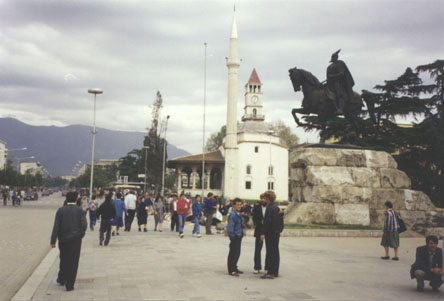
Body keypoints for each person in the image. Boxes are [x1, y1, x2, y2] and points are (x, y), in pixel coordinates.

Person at [50, 191, 87, 291]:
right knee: (73, 261)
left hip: (63, 239)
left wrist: (53, 241)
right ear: (76, 199)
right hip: (75, 240)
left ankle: (62, 279)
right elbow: (84, 225)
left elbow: (56, 226)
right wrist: (80, 235)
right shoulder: (80, 210)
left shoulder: (61, 210)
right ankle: (69, 284)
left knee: (64, 258)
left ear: (66, 198)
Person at [260, 190, 284, 279]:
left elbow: (267, 222)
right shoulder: (276, 207)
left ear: (267, 198)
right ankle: (275, 271)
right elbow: (280, 219)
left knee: (270, 252)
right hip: (276, 232)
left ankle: (270, 272)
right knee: (275, 251)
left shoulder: (269, 208)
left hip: (270, 233)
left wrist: (263, 232)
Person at [326, 49, 355, 114]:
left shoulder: (340, 64)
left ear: (336, 57)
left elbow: (342, 73)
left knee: (339, 93)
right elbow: (328, 76)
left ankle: (340, 109)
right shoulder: (329, 66)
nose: (333, 58)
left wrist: (333, 76)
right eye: (333, 57)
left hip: (339, 82)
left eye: (334, 57)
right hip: (330, 83)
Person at [227, 198, 244, 277]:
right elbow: (230, 226)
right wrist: (232, 236)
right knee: (233, 253)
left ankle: (235, 267)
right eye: (237, 205)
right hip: (235, 236)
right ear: (233, 205)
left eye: (240, 205)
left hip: (239, 235)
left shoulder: (238, 214)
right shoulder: (233, 214)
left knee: (237, 253)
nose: (239, 206)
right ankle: (232, 270)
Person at [253, 194, 266, 274]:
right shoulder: (257, 207)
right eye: (262, 198)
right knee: (258, 249)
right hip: (259, 230)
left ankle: (268, 267)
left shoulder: (270, 207)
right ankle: (257, 267)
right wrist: (259, 221)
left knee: (269, 250)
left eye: (265, 198)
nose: (263, 200)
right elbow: (254, 218)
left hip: (268, 231)